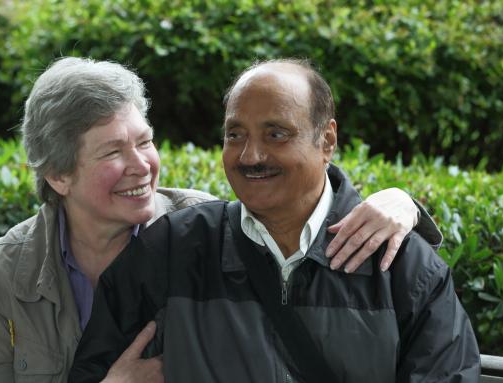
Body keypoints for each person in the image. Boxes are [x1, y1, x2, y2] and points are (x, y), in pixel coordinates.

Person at [0, 57, 443, 383]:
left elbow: (299, 193)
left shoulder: (202, 230)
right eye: (113, 152)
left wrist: (403, 204)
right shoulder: (1, 277)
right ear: (58, 175)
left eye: (144, 141)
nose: (141, 165)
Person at [69, 59, 480, 382]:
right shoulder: (174, 248)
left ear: (327, 140)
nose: (250, 156)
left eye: (275, 134)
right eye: (235, 135)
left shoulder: (404, 267)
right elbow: (93, 370)